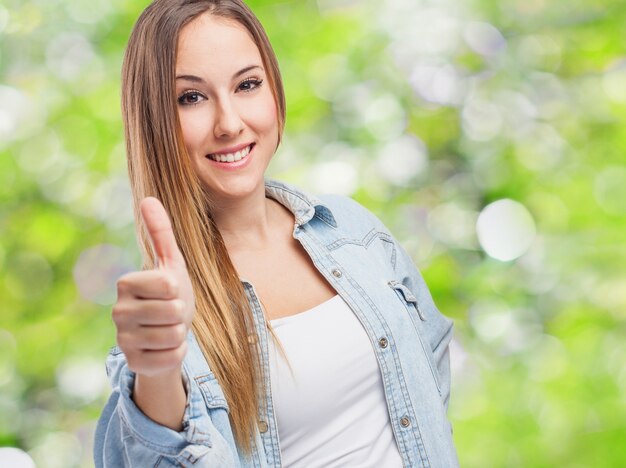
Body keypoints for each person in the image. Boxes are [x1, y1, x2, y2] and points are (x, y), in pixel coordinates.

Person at [93, 0, 458, 466]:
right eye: (191, 97)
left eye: (247, 85)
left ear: (275, 91)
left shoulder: (352, 231)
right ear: (153, 120)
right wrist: (160, 372)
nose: (229, 123)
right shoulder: (164, 313)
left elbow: (431, 378)